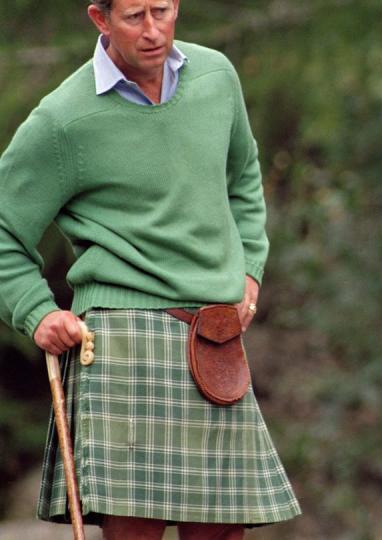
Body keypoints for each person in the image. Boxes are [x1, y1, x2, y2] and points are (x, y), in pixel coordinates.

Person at [0, 0, 301, 538]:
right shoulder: (62, 119)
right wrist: (36, 312)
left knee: (223, 532)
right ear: (100, 19)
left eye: (162, 10)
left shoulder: (216, 77)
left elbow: (244, 180)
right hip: (123, 339)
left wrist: (249, 273)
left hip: (215, 334)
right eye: (134, 16)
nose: (153, 30)